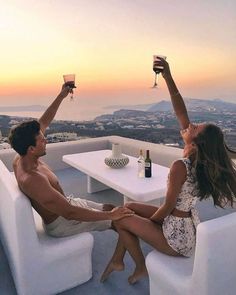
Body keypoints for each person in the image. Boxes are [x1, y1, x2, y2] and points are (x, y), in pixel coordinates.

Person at [100, 58, 236, 284]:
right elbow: (179, 108)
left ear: (196, 142)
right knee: (128, 207)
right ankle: (118, 259)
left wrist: (150, 223)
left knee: (121, 219)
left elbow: (167, 206)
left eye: (194, 128)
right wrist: (168, 76)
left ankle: (140, 266)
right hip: (187, 225)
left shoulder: (180, 166)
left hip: (177, 238)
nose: (189, 125)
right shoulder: (199, 162)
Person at [8, 84, 133, 238]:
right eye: (41, 140)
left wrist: (61, 95)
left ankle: (118, 257)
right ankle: (120, 261)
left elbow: (44, 122)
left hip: (67, 204)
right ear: (31, 149)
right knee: (120, 221)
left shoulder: (21, 156)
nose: (46, 140)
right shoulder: (34, 179)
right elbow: (69, 212)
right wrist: (110, 216)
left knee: (111, 207)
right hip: (63, 223)